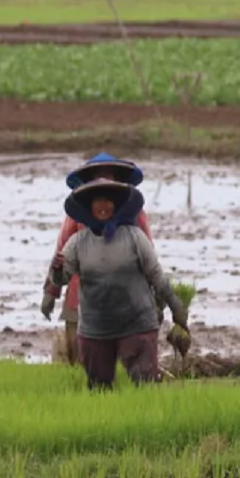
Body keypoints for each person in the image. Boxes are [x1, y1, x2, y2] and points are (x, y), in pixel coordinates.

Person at [49, 179, 188, 390]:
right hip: (95, 328)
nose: (103, 206)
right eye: (98, 201)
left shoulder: (134, 237)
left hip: (137, 323)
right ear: (89, 206)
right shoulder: (78, 243)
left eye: (108, 201)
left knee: (145, 385)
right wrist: (57, 269)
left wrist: (176, 308)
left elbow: (156, 276)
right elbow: (62, 279)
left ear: (117, 205)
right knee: (99, 389)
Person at [40, 153, 153, 366]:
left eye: (108, 176)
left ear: (118, 181)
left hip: (126, 299)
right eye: (97, 177)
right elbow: (61, 253)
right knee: (80, 358)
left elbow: (148, 258)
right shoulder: (77, 216)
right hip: (81, 297)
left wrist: (154, 297)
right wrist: (51, 292)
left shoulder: (135, 215)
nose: (103, 181)